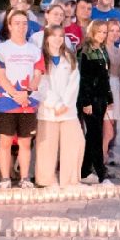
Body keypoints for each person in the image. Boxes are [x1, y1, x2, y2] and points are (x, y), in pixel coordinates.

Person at [0, 9, 41, 188]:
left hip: (28, 103)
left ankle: (24, 178)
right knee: (5, 142)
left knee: (25, 143)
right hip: (7, 103)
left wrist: (26, 94)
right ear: (10, 26)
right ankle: (5, 178)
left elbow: (37, 76)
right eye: (17, 23)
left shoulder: (35, 50)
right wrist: (15, 94)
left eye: (24, 23)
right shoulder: (1, 49)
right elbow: (0, 76)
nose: (21, 27)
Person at [33, 26, 83, 187]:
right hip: (48, 110)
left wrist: (65, 103)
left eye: (61, 36)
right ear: (46, 38)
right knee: (47, 146)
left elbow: (74, 82)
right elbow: (41, 85)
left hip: (68, 110)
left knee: (76, 142)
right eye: (54, 35)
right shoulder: (40, 58)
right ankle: (46, 180)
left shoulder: (69, 56)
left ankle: (70, 179)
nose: (58, 39)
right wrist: (55, 103)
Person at [77, 18, 114, 184]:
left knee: (93, 136)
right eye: (99, 32)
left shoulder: (103, 49)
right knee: (96, 135)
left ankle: (84, 170)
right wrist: (86, 102)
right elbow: (83, 79)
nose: (102, 35)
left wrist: (109, 97)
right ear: (92, 32)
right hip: (89, 100)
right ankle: (101, 172)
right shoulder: (84, 51)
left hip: (101, 99)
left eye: (105, 32)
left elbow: (105, 77)